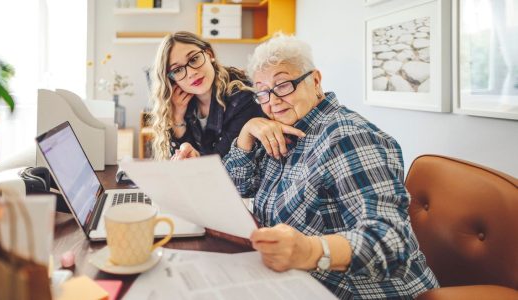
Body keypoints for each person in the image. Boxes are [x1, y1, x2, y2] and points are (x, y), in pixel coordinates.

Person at [175, 33, 439, 299]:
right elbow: (240, 186)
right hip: (295, 282)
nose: (273, 100)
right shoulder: (288, 131)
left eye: (284, 85)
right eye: (263, 92)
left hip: (357, 291)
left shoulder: (346, 136)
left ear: (315, 81)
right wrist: (245, 135)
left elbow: (393, 241)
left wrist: (310, 250)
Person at [148, 31, 263, 160]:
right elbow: (182, 160)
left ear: (209, 55)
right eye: (177, 70)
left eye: (194, 59)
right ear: (172, 79)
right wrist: (177, 118)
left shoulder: (242, 97)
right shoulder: (181, 103)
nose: (191, 73)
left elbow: (223, 163)